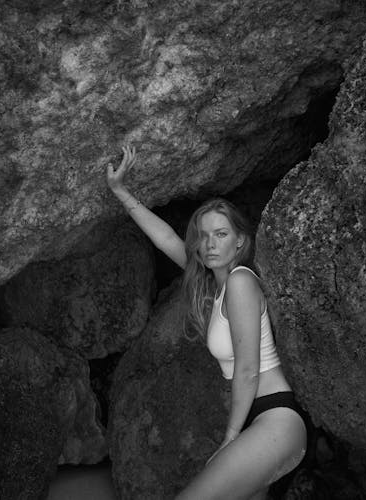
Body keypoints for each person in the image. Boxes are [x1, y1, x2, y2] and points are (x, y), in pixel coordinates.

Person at [107, 145, 308, 500]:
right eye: (203, 236)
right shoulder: (215, 288)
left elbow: (248, 368)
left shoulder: (241, 282)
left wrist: (230, 439)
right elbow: (167, 238)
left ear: (240, 241)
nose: (210, 244)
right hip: (258, 422)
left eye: (221, 234)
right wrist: (122, 192)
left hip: (276, 418)